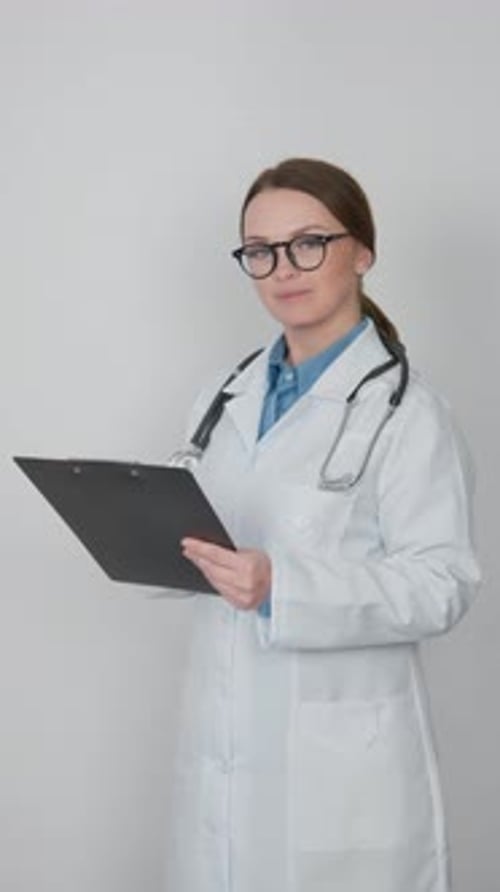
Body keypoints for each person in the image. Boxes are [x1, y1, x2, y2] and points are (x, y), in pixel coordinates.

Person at [165, 158, 480, 892]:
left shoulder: (409, 414)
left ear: (362, 252)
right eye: (261, 251)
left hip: (341, 764)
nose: (284, 268)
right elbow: (204, 530)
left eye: (310, 243)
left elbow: (443, 584)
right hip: (224, 743)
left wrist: (283, 584)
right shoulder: (224, 394)